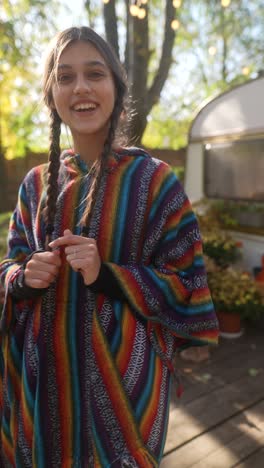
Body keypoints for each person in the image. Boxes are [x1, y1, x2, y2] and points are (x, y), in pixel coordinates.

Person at [0, 26, 218, 467]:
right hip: (41, 389)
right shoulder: (36, 184)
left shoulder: (155, 182)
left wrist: (108, 275)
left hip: (124, 389)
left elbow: (188, 286)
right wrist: (22, 278)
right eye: (64, 77)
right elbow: (9, 264)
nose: (80, 87)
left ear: (116, 87)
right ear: (52, 95)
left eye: (94, 73)